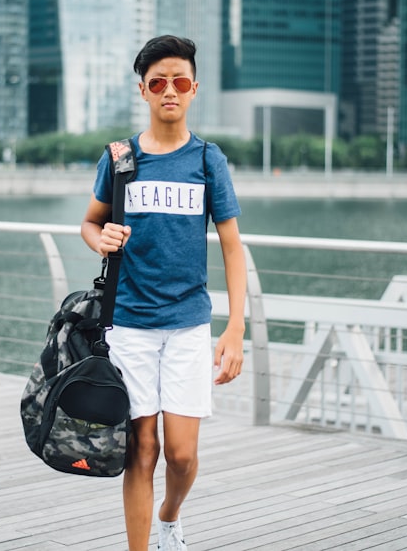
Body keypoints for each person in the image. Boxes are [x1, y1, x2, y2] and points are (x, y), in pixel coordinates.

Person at [81, 35, 247, 551]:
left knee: (179, 454)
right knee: (142, 450)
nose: (169, 91)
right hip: (129, 323)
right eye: (158, 83)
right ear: (144, 91)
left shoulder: (207, 160)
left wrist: (235, 328)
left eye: (179, 81)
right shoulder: (120, 157)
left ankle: (170, 516)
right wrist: (99, 238)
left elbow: (232, 246)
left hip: (188, 324)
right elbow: (89, 224)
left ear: (193, 89)